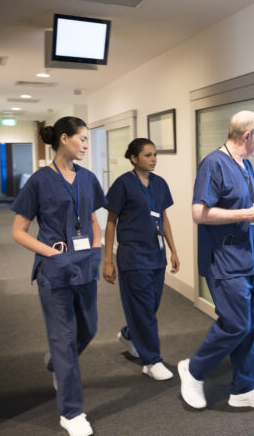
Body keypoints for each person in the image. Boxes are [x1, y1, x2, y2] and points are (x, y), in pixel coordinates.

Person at [178, 110, 254, 411]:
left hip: (248, 258)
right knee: (236, 323)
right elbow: (199, 213)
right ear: (247, 136)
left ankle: (243, 388)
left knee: (250, 324)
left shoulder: (245, 165)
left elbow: (244, 210)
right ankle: (194, 370)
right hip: (224, 260)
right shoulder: (213, 164)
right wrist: (248, 214)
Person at [11, 117, 106, 436]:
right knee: (64, 338)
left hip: (84, 264)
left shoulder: (88, 178)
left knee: (88, 329)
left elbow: (92, 218)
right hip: (54, 269)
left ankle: (56, 363)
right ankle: (71, 412)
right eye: (82, 139)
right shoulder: (39, 181)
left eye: (87, 140)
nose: (85, 145)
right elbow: (19, 232)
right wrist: (52, 253)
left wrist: (96, 246)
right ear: (64, 139)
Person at [103, 138, 179, 381]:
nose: (153, 159)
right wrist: (107, 260)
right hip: (133, 256)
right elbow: (111, 223)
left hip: (156, 255)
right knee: (144, 308)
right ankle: (151, 360)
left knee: (150, 305)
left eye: (155, 154)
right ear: (134, 158)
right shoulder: (123, 184)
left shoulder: (159, 184)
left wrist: (173, 250)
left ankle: (129, 334)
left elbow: (163, 218)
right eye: (147, 155)